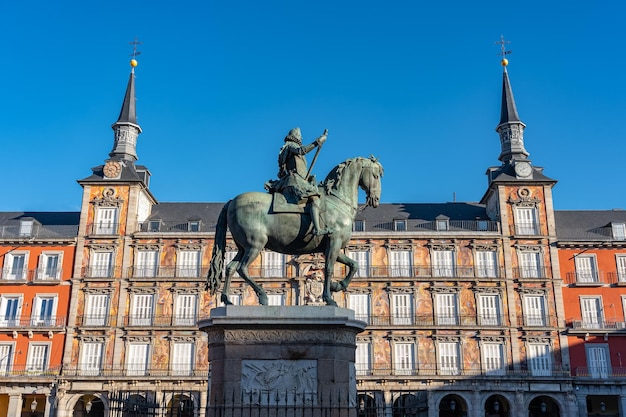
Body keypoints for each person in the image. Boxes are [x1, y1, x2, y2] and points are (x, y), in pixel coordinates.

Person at [266, 127, 330, 235]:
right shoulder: (291, 146)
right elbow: (302, 151)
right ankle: (317, 229)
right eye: (300, 136)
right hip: (293, 181)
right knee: (314, 198)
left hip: (298, 179)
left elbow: (302, 171)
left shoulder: (289, 147)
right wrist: (318, 141)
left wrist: (310, 178)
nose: (302, 137)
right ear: (295, 136)